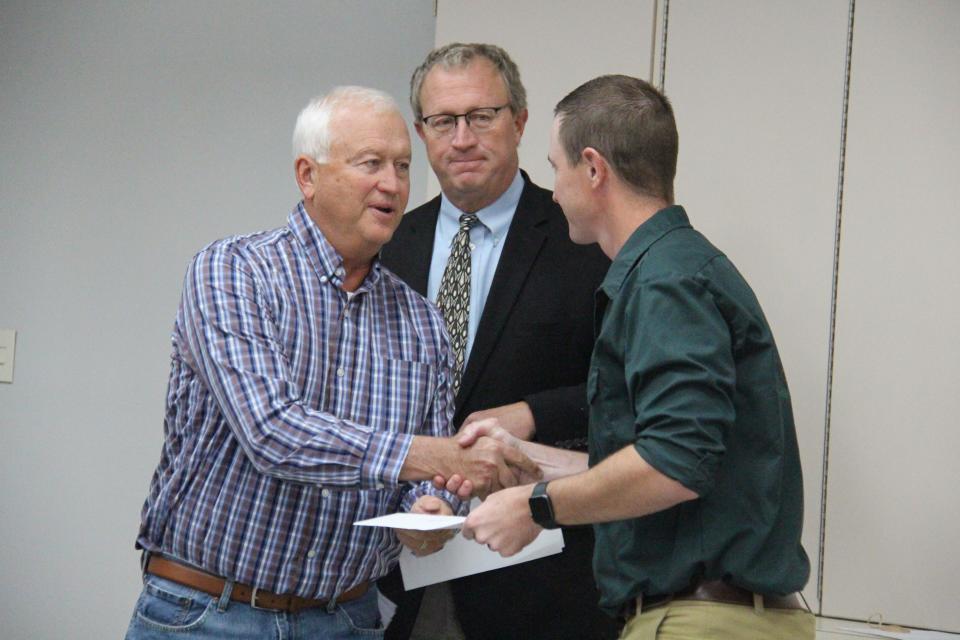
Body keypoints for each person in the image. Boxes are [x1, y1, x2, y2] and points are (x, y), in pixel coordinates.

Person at [124, 86, 538, 640]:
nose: (392, 184)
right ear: (307, 175)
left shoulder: (423, 323)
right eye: (370, 163)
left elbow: (417, 480)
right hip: (207, 614)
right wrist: (429, 457)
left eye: (402, 166)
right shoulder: (233, 272)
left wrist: (430, 508)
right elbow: (273, 432)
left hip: (347, 619)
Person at [455, 74, 815, 639]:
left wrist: (536, 505)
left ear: (593, 169)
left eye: (556, 167)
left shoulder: (664, 282)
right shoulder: (671, 271)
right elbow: (660, 460)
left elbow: (676, 461)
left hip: (698, 621)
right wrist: (529, 459)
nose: (553, 190)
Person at [378, 44, 617, 640]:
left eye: (481, 117)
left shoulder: (581, 237)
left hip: (546, 582)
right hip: (409, 578)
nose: (462, 139)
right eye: (443, 122)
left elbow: (622, 393)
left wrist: (533, 414)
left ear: (520, 121)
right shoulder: (389, 246)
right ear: (421, 133)